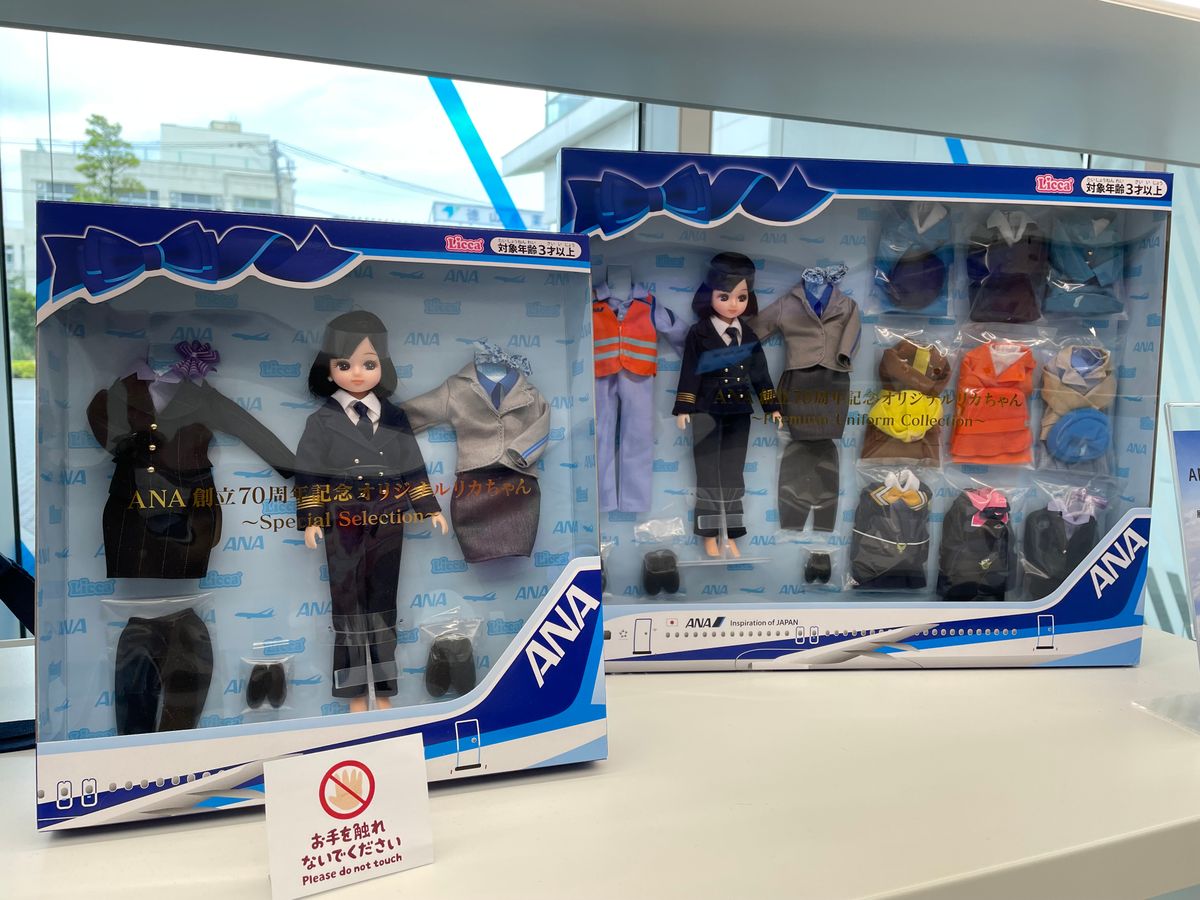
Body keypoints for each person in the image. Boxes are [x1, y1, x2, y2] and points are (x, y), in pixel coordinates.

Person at [295, 311, 448, 713]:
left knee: (383, 604)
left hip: (388, 517)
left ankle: (382, 689)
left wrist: (428, 507)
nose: (358, 374)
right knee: (346, 606)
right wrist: (312, 519)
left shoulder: (394, 417)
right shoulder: (321, 421)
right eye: (345, 365)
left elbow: (412, 464)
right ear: (329, 369)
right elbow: (309, 473)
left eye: (369, 364)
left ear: (383, 365)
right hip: (341, 519)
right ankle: (351, 693)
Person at [673, 252, 782, 558]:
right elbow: (690, 371)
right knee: (707, 472)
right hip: (706, 411)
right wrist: (685, 407)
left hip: (739, 412)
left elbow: (760, 374)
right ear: (710, 296)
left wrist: (771, 406)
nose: (733, 304)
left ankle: (732, 531)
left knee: (734, 473)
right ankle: (708, 533)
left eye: (741, 297)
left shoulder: (748, 336)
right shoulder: (700, 333)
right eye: (725, 296)